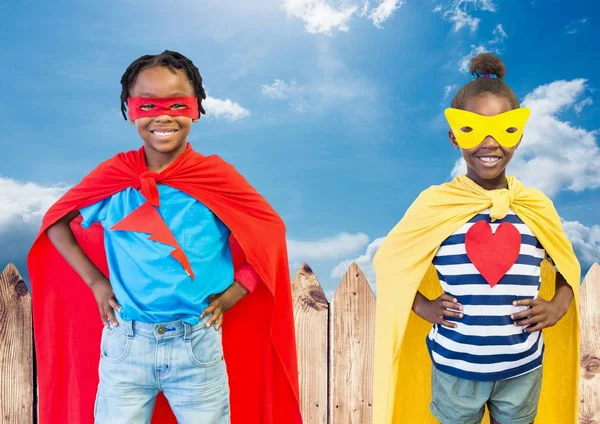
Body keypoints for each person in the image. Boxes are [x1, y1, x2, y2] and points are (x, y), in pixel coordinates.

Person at [27, 50, 302, 424]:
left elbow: (270, 230)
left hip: (196, 343)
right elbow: (56, 221)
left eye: (177, 103)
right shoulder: (116, 175)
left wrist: (239, 289)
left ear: (196, 108)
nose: (163, 115)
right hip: (126, 344)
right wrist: (96, 283)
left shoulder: (215, 176)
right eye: (148, 104)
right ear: (130, 108)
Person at [373, 53, 581, 424]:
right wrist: (424, 307)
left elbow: (566, 263)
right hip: (455, 367)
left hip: (523, 368)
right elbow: (390, 261)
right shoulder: (436, 204)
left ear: (518, 136)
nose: (489, 143)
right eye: (474, 130)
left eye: (503, 130)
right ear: (454, 137)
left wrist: (558, 305)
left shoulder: (533, 205)